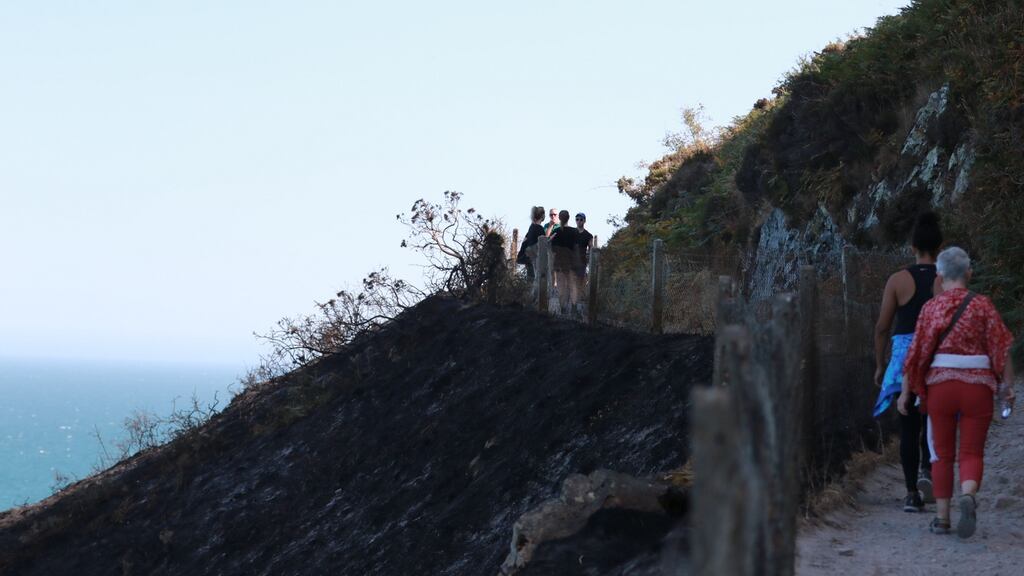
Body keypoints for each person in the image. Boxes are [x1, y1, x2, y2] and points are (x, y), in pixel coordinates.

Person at [900, 246, 1016, 538]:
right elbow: (1002, 348)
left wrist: (907, 392)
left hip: (941, 387)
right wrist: (1007, 387)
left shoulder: (931, 308)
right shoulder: (983, 305)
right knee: (972, 451)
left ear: (939, 276)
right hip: (978, 387)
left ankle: (942, 519)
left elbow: (915, 355)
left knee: (941, 454)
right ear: (969, 273)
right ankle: (968, 493)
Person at [873, 212, 943, 512]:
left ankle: (911, 493)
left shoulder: (898, 280)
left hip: (905, 360)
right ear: (939, 248)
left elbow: (882, 327)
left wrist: (880, 364)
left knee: (908, 426)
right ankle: (930, 470)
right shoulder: (945, 279)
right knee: (933, 420)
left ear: (912, 246)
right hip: (937, 357)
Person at [549, 210, 579, 314]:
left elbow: (548, 244)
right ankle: (574, 308)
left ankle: (563, 309)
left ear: (560, 218)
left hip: (559, 262)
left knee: (561, 286)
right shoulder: (574, 231)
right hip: (571, 262)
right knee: (572, 285)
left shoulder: (556, 232)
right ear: (569, 217)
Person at [516, 206, 546, 280]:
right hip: (535, 260)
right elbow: (542, 245)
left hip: (529, 259)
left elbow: (524, 242)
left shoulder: (531, 227)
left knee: (529, 281)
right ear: (542, 216)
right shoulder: (539, 229)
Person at [574, 213, 594, 307]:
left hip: (582, 262)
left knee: (580, 281)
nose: (579, 221)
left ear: (584, 221)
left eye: (581, 219)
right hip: (571, 261)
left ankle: (580, 302)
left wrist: (589, 259)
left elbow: (591, 249)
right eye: (577, 219)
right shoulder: (571, 233)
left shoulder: (588, 235)